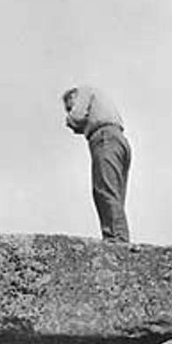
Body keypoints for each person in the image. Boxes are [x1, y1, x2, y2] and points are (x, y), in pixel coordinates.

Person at [62, 85, 132, 242]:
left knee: (104, 190)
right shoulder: (101, 101)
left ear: (74, 97)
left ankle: (116, 239)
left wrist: (70, 120)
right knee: (114, 193)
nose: (69, 111)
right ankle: (119, 236)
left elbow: (77, 116)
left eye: (69, 107)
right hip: (118, 139)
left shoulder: (84, 92)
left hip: (104, 138)